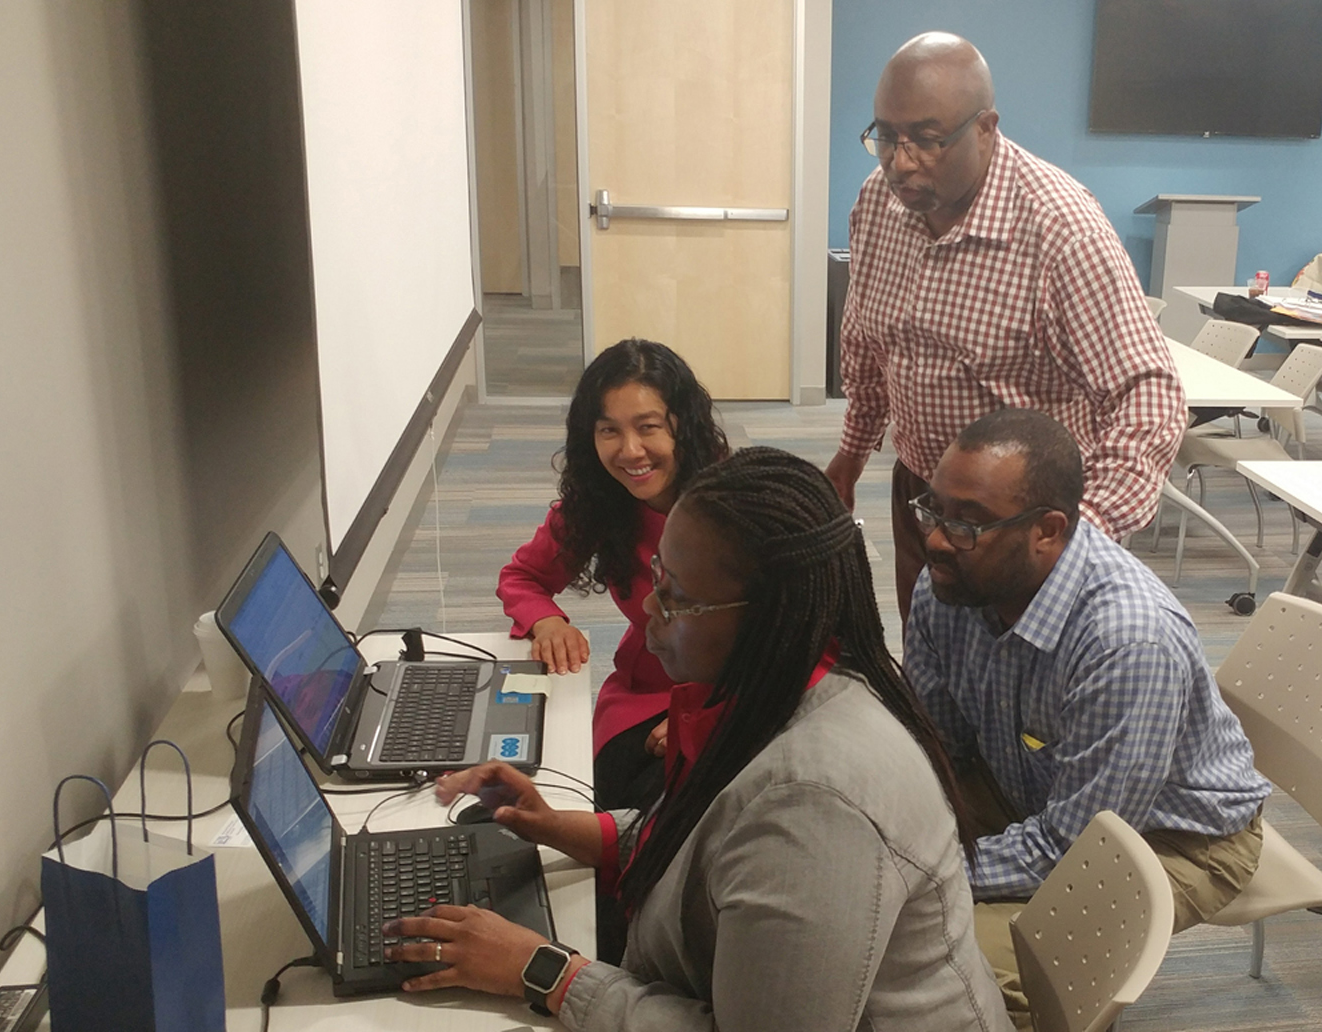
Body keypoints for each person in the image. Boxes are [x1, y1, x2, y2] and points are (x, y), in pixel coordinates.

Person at [386, 448, 1012, 1032]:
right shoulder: (773, 688)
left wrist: (543, 970)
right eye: (659, 576)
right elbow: (704, 843)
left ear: (765, 617)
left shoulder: (815, 810)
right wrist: (551, 824)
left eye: (677, 598)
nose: (650, 609)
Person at [904, 409, 1270, 1022]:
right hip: (1032, 785)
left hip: (1171, 838)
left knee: (954, 959)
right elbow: (941, 749)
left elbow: (1074, 848)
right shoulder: (952, 585)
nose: (937, 540)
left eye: (966, 523)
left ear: (1047, 531)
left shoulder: (1126, 642)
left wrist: (919, 875)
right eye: (933, 510)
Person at [824, 31, 1184, 623]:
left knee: (1015, 668)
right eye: (885, 136)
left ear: (986, 128)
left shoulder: (1060, 230)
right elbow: (867, 338)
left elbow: (1149, 395)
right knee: (930, 647)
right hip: (920, 491)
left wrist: (1083, 533)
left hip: (1015, 523)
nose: (901, 162)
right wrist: (853, 449)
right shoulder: (878, 204)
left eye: (927, 140)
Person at [498, 338, 728, 813]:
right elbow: (522, 577)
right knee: (602, 792)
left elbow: (796, 636)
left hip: (738, 691)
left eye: (648, 427)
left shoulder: (739, 500)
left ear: (682, 425)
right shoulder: (599, 502)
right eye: (609, 431)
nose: (630, 451)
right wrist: (547, 621)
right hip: (646, 689)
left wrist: (714, 709)